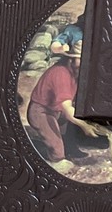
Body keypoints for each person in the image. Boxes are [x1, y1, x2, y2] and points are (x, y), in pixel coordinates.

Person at [25, 40, 103, 172]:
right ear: (70, 59)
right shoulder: (61, 73)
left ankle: (70, 150)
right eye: (81, 59)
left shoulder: (76, 73)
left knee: (71, 127)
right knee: (57, 148)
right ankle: (56, 162)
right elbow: (67, 110)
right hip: (41, 112)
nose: (85, 64)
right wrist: (84, 125)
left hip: (57, 111)